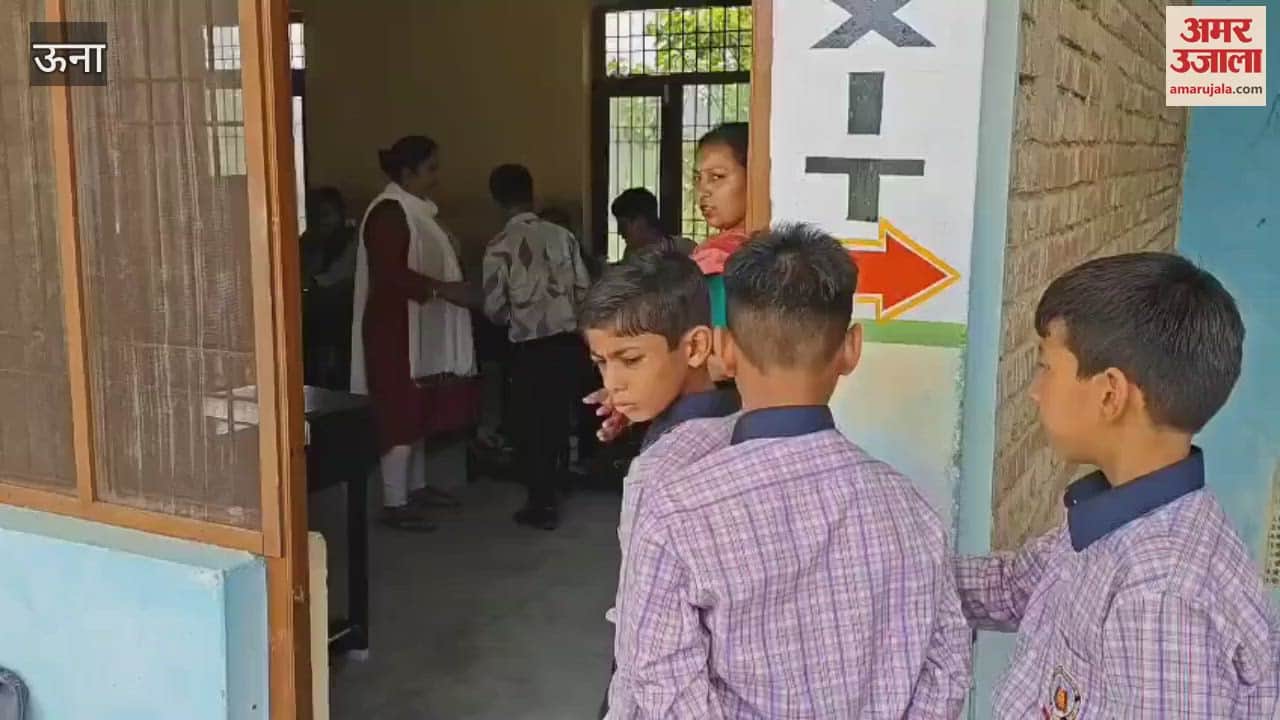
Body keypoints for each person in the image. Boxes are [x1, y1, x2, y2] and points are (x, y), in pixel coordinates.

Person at [607, 224, 971, 717]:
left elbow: (661, 691)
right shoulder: (912, 511)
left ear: (725, 350)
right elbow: (946, 677)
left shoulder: (674, 512)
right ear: (851, 350)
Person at [955, 252, 1280, 718]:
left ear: (1110, 393)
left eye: (1046, 367)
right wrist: (894, 567)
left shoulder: (1162, 599)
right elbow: (1012, 586)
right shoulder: (1120, 515)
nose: (1034, 390)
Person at [579, 248, 741, 718]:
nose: (615, 382)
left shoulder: (661, 475)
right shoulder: (737, 412)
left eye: (629, 360)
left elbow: (647, 646)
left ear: (694, 347)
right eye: (602, 363)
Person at [587, 122, 753, 443]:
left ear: (755, 176)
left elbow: (716, 361)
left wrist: (640, 389)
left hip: (705, 415)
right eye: (698, 178)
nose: (703, 191)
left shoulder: (721, 260)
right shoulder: (752, 249)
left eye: (717, 177)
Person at [350, 135, 476, 532]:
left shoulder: (417, 211)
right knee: (399, 411)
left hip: (417, 327)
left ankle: (416, 488)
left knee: (419, 407)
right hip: (394, 330)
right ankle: (395, 501)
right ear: (407, 172)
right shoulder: (389, 212)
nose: (437, 178)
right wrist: (442, 289)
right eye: (431, 168)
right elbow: (390, 273)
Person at [482, 164, 590, 531]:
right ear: (533, 193)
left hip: (528, 349)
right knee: (559, 418)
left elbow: (494, 309)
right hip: (566, 343)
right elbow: (584, 292)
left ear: (496, 199)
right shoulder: (564, 237)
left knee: (530, 425)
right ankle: (558, 480)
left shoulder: (498, 247)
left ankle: (541, 504)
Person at [300, 187, 357, 389]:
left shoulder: (351, 241)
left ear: (340, 214)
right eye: (316, 216)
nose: (322, 221)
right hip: (312, 322)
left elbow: (336, 276)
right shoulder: (307, 242)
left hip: (340, 321)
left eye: (327, 215)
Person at [610, 188, 695, 260]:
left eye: (623, 226)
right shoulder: (630, 254)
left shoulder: (687, 249)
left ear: (641, 221)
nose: (620, 232)